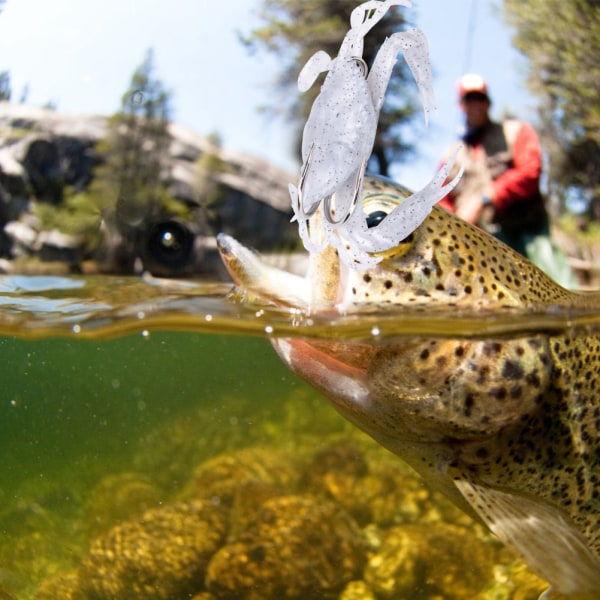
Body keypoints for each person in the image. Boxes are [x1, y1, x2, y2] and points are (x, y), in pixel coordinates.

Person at [439, 73, 576, 288]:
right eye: (469, 99)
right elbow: (441, 203)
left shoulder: (516, 132)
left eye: (479, 98)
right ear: (461, 105)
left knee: (560, 290)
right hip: (484, 249)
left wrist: (486, 198)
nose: (475, 104)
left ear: (488, 102)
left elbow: (530, 172)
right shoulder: (450, 158)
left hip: (529, 235)